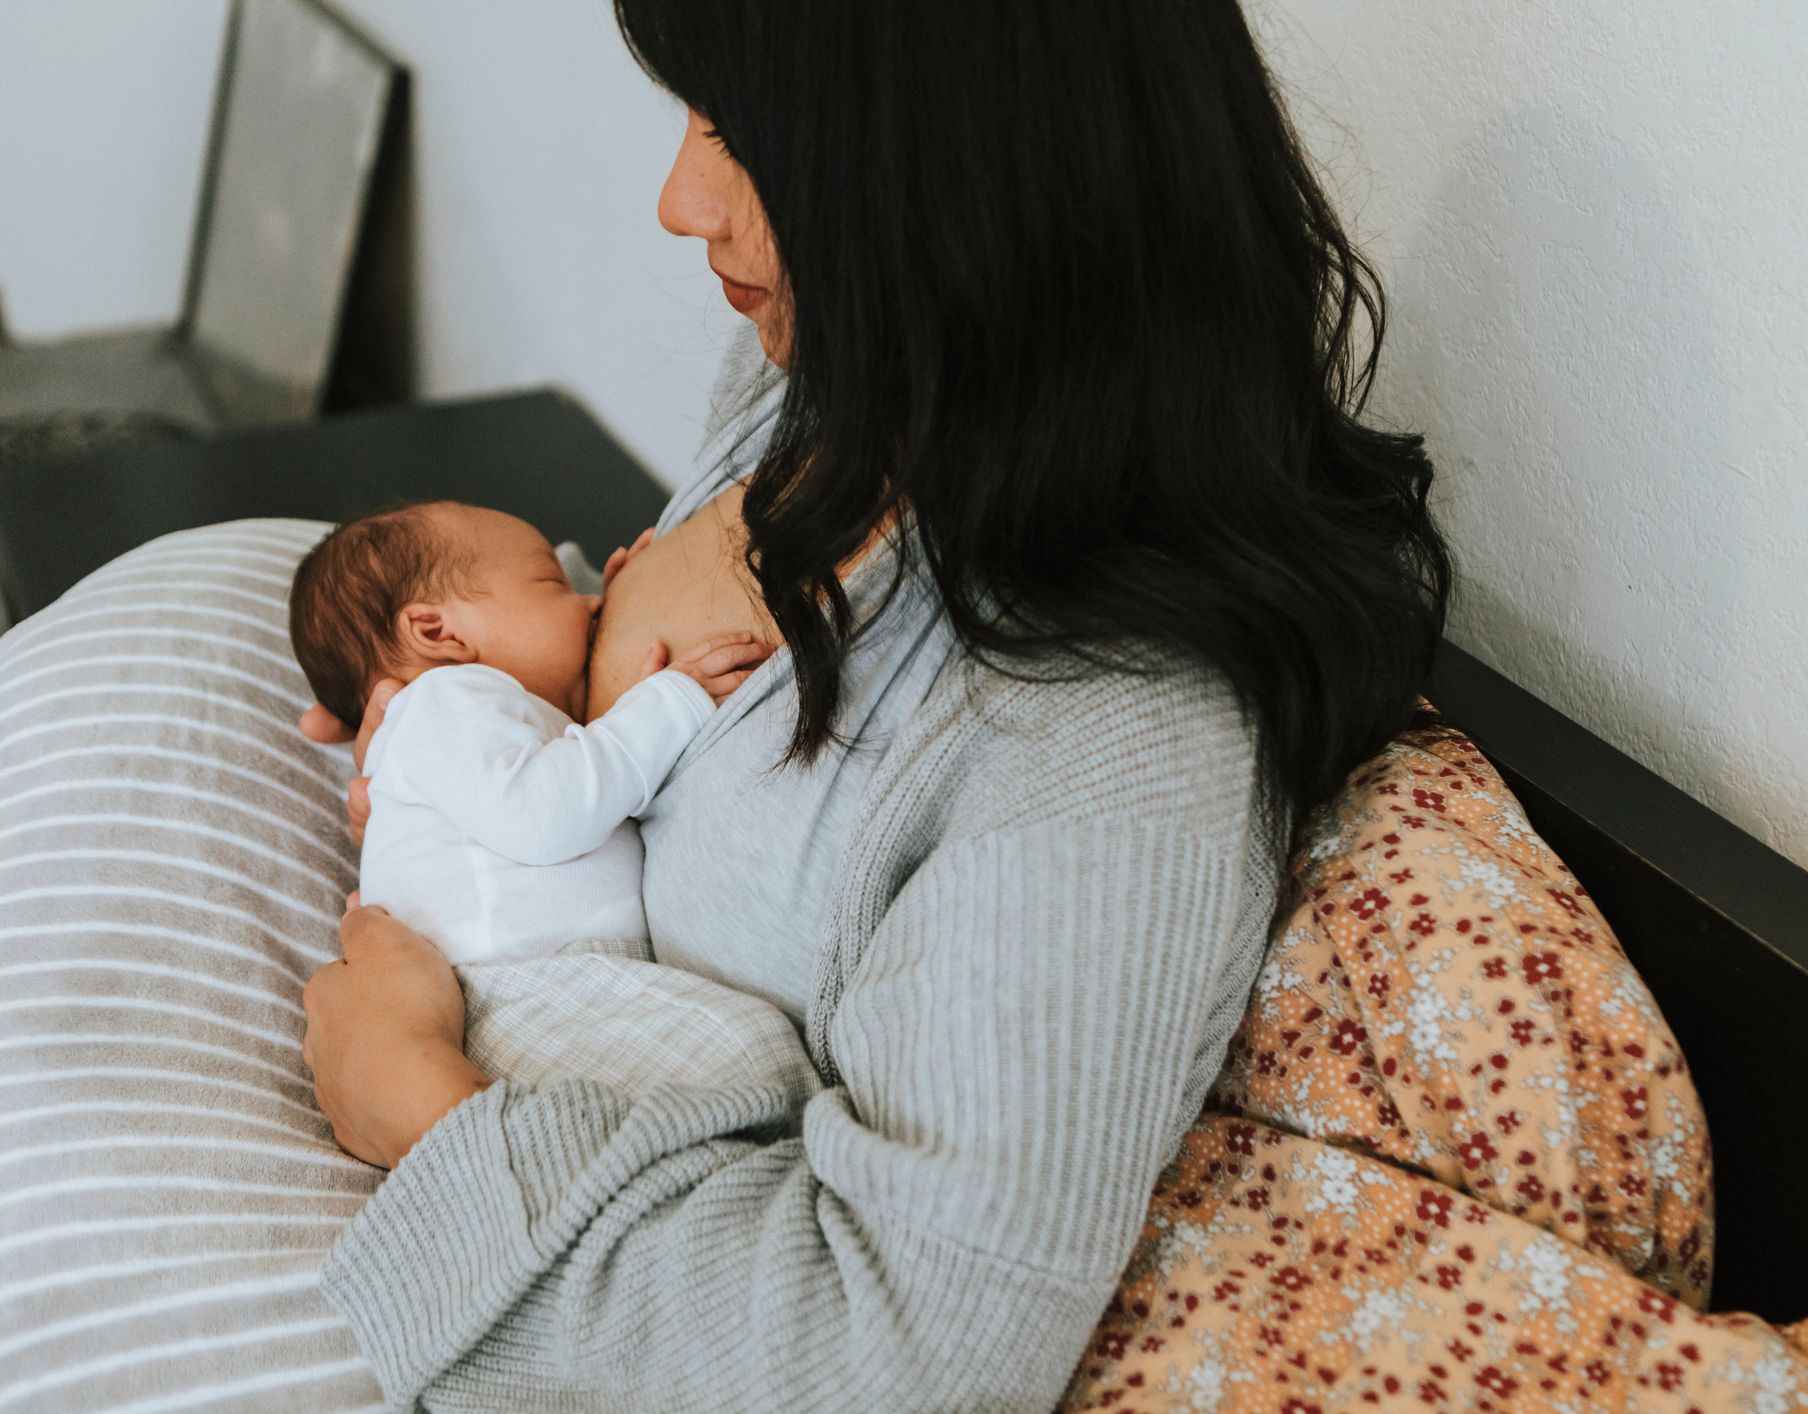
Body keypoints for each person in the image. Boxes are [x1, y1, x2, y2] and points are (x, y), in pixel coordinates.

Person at [297, 1, 1451, 1407]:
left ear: (948, 179)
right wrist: (447, 694)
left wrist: (413, 1096)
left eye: (733, 133)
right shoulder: (835, 397)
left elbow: (890, 1353)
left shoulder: (1097, 747)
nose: (677, 201)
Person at [286, 500, 768, 962]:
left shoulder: (487, 722)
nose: (591, 600)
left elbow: (585, 782)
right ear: (437, 633)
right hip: (517, 977)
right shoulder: (439, 702)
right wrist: (668, 704)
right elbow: (546, 815)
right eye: (552, 581)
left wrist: (634, 618)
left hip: (558, 972)